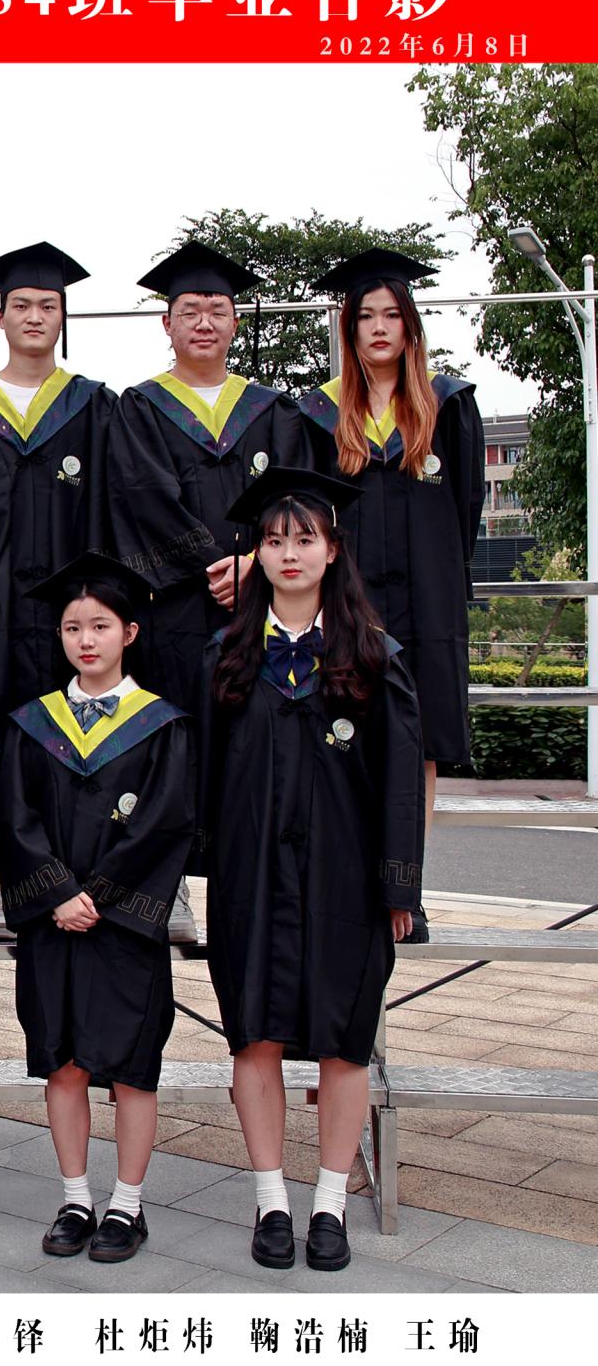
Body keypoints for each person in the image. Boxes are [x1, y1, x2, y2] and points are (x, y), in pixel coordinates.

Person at [197, 468, 423, 1273]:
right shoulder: (227, 657)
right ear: (256, 555)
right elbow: (204, 778)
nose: (288, 553)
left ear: (333, 550)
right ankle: (271, 1199)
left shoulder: (373, 656)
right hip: (252, 875)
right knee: (253, 1033)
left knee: (344, 1042)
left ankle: (329, 1203)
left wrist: (399, 886)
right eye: (272, 539)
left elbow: (401, 784)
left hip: (344, 880)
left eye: (304, 538)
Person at [107, 242, 315, 940]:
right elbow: (141, 497)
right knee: (168, 740)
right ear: (166, 323)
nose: (204, 322)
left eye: (218, 309)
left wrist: (257, 559)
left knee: (251, 744)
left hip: (259, 609)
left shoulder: (273, 410)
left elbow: (295, 497)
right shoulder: (140, 408)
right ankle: (168, 889)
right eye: (190, 310)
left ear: (235, 322)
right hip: (173, 609)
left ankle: (250, 885)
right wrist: (215, 562)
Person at [0, 552, 195, 1264]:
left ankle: (127, 1205)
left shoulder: (162, 725)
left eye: (101, 625)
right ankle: (77, 1198)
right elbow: (13, 820)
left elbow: (165, 824)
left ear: (130, 633)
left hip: (124, 925)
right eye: (73, 627)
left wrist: (97, 897)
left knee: (133, 1068)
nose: (86, 639)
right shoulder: (32, 724)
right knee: (64, 1063)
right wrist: (57, 894)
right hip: (54, 923)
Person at [0, 242, 122, 937]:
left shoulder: (93, 406)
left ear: (63, 317)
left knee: (77, 739)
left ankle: (79, 879)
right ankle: (17, 890)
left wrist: (100, 599)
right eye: (22, 305)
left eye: (48, 305)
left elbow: (107, 505)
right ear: (1, 317)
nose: (35, 316)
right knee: (2, 741)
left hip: (75, 611)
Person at [299, 249, 485, 897]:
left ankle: (408, 887)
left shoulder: (447, 405)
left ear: (410, 325)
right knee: (345, 736)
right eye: (365, 316)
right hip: (348, 599)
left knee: (420, 743)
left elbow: (467, 509)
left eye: (391, 315)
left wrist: (446, 584)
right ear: (349, 329)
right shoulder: (320, 415)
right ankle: (353, 888)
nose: (379, 327)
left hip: (429, 602)